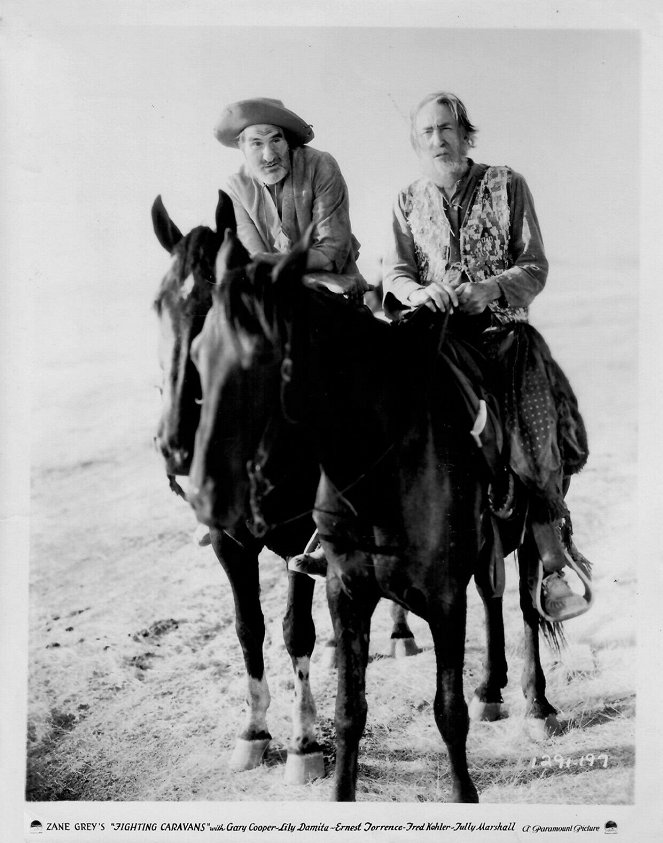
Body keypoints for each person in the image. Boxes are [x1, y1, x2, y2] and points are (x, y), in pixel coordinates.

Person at [382, 91, 591, 622]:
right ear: (416, 142)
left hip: (502, 334)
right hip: (434, 336)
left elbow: (534, 265)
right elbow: (396, 273)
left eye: (447, 128)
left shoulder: (507, 184)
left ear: (465, 133)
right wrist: (416, 294)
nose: (438, 140)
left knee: (529, 423)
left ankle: (551, 558)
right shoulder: (406, 199)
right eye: (427, 132)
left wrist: (490, 290)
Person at [205, 98, 366, 569]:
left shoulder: (321, 166)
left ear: (290, 142)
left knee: (348, 391)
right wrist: (287, 269)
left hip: (334, 294)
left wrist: (286, 270)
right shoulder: (233, 188)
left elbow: (333, 248)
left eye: (277, 139)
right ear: (241, 148)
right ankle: (225, 495)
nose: (269, 153)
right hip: (277, 305)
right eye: (256, 142)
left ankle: (347, 508)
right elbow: (251, 259)